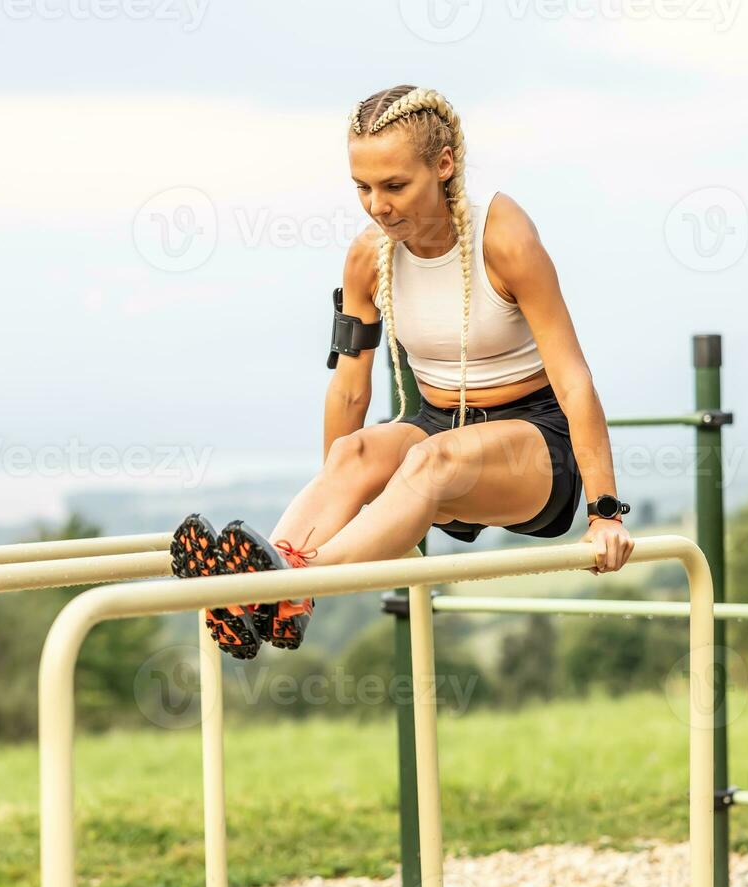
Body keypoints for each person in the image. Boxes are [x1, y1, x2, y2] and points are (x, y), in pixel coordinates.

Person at [171, 84, 634, 660]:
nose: (377, 205)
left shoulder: (503, 236)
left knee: (430, 460)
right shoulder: (369, 257)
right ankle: (273, 576)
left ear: (443, 165)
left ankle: (289, 587)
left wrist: (605, 512)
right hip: (437, 424)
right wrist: (340, 509)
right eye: (362, 188)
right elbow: (348, 389)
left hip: (534, 446)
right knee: (354, 453)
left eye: (394, 186)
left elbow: (573, 378)